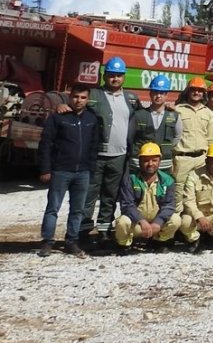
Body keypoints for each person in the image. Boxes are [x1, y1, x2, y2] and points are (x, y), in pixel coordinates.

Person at [81, 57, 141, 244]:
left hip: (120, 155)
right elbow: (77, 108)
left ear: (124, 77)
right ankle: (82, 231)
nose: (115, 79)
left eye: (118, 75)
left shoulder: (131, 98)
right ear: (104, 75)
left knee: (110, 195)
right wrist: (63, 106)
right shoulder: (93, 95)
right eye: (111, 75)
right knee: (89, 194)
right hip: (97, 154)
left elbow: (141, 117)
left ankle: (104, 231)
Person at [38, 83, 100, 257]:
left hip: (83, 172)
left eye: (83, 97)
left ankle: (71, 241)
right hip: (61, 170)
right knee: (53, 207)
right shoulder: (59, 117)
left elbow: (94, 146)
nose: (78, 100)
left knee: (77, 209)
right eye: (75, 96)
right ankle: (47, 242)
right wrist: (45, 169)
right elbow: (46, 144)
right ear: (69, 96)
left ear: (88, 99)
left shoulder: (92, 118)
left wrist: (91, 169)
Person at [113, 142, 181, 252]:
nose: (150, 164)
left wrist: (158, 222)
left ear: (159, 161)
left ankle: (159, 241)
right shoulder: (131, 179)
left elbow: (169, 205)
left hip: (156, 224)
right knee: (122, 222)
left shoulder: (167, 180)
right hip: (137, 223)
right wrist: (141, 221)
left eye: (154, 160)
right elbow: (127, 205)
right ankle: (124, 245)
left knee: (176, 219)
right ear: (139, 162)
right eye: (146, 160)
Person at [172, 78, 213, 203]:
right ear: (188, 91)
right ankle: (177, 220)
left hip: (201, 159)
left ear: (204, 93)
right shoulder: (177, 110)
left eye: (200, 90)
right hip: (182, 158)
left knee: (200, 191)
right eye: (193, 90)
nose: (196, 93)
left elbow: (210, 139)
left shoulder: (208, 113)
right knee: (178, 191)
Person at [129, 75, 180, 174]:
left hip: (164, 163)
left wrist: (166, 148)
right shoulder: (138, 115)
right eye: (156, 92)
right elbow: (130, 138)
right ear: (150, 93)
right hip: (140, 162)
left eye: (162, 93)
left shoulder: (174, 116)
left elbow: (177, 137)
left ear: (167, 95)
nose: (158, 96)